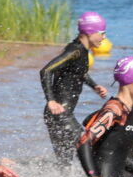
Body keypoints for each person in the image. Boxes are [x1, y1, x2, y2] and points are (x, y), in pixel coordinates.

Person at [39, 12, 108, 166]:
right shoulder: (74, 50)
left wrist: (94, 86)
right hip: (59, 113)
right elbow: (46, 71)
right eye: (102, 33)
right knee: (88, 145)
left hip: (58, 114)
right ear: (90, 32)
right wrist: (51, 100)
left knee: (64, 163)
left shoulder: (82, 50)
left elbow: (78, 72)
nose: (104, 38)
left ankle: (17, 166)